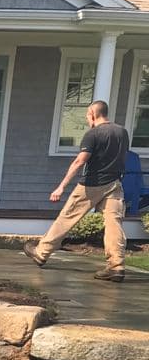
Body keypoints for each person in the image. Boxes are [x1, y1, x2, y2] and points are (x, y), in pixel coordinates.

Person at [24, 100, 129, 282]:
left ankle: (41, 252)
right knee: (114, 223)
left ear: (92, 114)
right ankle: (116, 266)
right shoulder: (122, 132)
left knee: (67, 217)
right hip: (115, 184)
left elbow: (79, 161)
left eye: (87, 116)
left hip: (91, 184)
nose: (87, 119)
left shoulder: (93, 134)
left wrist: (61, 186)